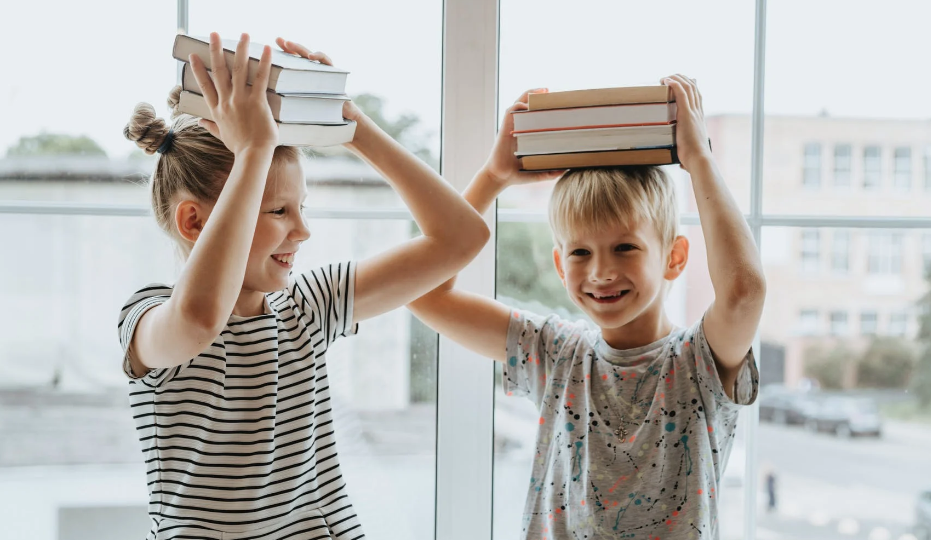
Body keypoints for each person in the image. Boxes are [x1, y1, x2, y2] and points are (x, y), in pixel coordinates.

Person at [118, 33, 488, 540]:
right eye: (276, 210)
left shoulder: (308, 306)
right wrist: (252, 149)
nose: (302, 230)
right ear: (194, 221)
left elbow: (461, 239)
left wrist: (352, 127)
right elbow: (200, 319)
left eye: (301, 208)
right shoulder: (147, 317)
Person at [408, 76, 763, 539]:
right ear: (560, 263)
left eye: (625, 248)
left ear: (674, 257)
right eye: (580, 253)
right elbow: (420, 291)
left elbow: (744, 292)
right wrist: (492, 178)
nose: (600, 272)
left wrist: (698, 161)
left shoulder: (700, 361)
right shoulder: (555, 353)